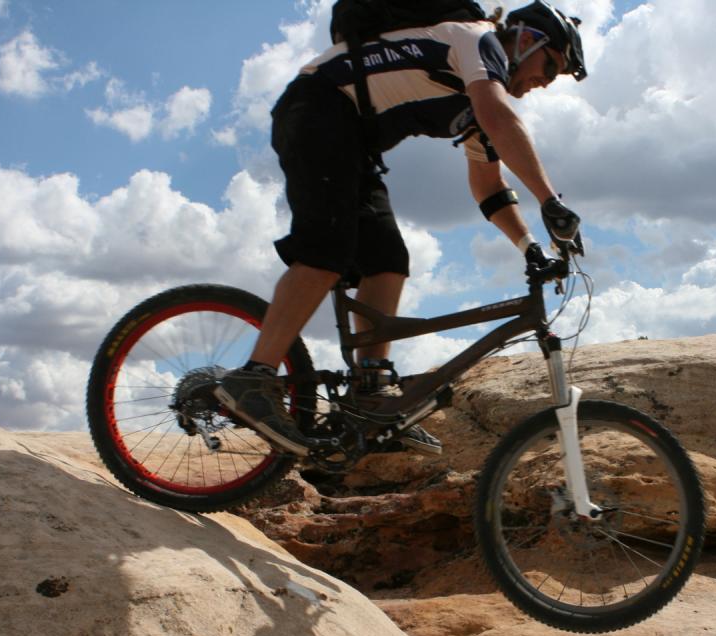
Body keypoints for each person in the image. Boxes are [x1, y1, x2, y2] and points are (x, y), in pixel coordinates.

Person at [216, 1, 587, 457]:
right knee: (326, 250)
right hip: (317, 108)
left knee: (388, 262)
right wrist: (551, 201)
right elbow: (500, 116)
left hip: (351, 140)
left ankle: (368, 395)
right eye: (549, 68)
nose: (543, 84)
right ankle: (254, 378)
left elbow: (489, 187)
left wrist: (529, 245)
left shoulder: (475, 102)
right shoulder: (476, 39)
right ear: (529, 40)